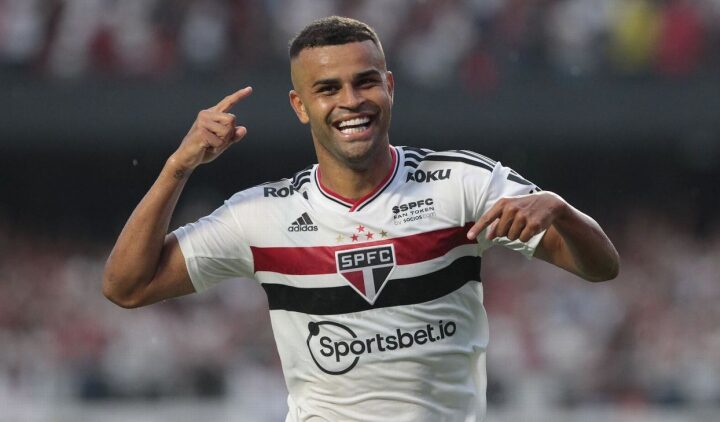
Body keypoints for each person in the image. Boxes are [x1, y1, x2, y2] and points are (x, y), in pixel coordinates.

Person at [103, 16, 620, 422]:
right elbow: (126, 287)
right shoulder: (261, 215)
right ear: (300, 105)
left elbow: (601, 267)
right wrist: (177, 168)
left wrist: (560, 209)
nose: (351, 101)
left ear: (389, 86)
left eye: (365, 82)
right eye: (328, 89)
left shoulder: (462, 184)